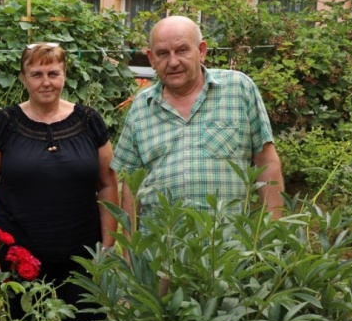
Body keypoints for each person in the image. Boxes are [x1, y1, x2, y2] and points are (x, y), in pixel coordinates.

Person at [0, 42, 119, 321]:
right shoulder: (4, 123)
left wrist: (108, 244)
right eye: (36, 74)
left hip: (82, 252)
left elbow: (108, 184)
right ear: (23, 78)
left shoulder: (89, 121)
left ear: (65, 75)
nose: (45, 82)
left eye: (53, 72)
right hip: (20, 253)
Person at [112, 15, 284, 217]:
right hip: (161, 236)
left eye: (182, 50)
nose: (173, 62)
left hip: (225, 235)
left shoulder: (239, 89)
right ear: (151, 59)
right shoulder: (141, 107)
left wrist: (273, 229)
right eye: (163, 53)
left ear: (201, 51)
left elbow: (266, 162)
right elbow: (131, 184)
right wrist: (129, 238)